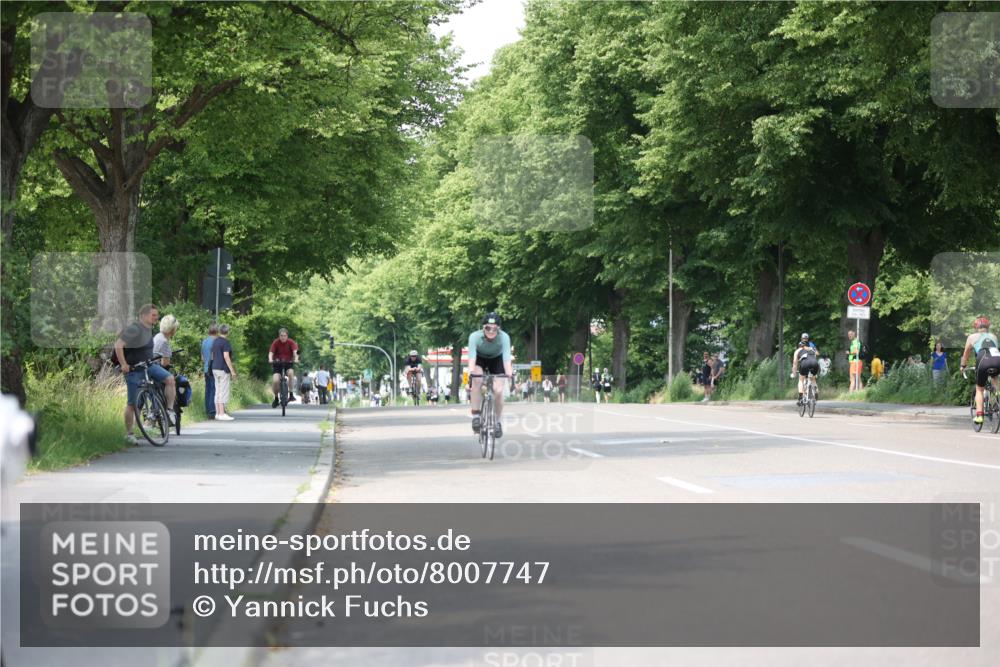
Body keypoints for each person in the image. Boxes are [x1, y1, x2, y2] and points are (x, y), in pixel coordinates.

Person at [115, 304, 175, 445]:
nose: (156, 318)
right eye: (153, 315)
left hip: (149, 366)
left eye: (157, 315)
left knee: (170, 379)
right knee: (132, 404)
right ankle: (129, 434)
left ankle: (170, 410)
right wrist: (124, 364)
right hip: (134, 369)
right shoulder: (134, 329)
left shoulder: (149, 330)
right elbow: (118, 345)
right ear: (143, 316)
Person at [466, 312, 513, 437]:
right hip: (479, 359)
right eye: (488, 328)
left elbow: (507, 358)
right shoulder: (474, 337)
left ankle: (497, 422)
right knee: (477, 380)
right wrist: (471, 373)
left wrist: (509, 374)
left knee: (498, 390)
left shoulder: (504, 337)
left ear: (499, 328)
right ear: (483, 327)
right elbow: (471, 358)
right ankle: (476, 416)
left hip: (497, 359)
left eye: (494, 328)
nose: (491, 331)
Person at [960, 316, 1000, 425]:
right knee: (994, 378)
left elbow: (966, 354)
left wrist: (963, 366)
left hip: (983, 360)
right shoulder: (993, 336)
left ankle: (979, 416)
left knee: (980, 389)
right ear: (988, 326)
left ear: (976, 327)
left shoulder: (972, 337)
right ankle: (997, 396)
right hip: (997, 359)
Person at [211, 324, 237, 420]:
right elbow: (226, 356)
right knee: (223, 390)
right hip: (223, 368)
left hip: (214, 368)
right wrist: (232, 371)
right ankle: (222, 413)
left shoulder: (215, 341)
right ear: (228, 332)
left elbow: (212, 355)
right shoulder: (226, 342)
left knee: (217, 390)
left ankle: (217, 413)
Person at [269, 328, 299, 407]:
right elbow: (271, 353)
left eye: (284, 336)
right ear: (279, 336)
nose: (283, 337)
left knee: (291, 373)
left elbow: (295, 352)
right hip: (277, 364)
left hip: (288, 363)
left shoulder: (291, 342)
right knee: (275, 381)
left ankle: (291, 394)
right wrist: (270, 359)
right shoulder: (276, 342)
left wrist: (296, 358)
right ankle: (276, 398)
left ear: (287, 336)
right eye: (281, 336)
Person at [791, 333, 821, 404]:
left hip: (805, 364)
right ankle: (816, 391)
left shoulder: (797, 351)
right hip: (814, 363)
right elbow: (817, 354)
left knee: (801, 380)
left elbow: (795, 364)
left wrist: (794, 373)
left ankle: (800, 398)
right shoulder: (811, 349)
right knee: (813, 379)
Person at [201, 323, 219, 419]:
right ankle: (212, 411)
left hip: (206, 368)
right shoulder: (216, 342)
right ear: (217, 331)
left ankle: (207, 410)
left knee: (208, 389)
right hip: (214, 367)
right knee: (214, 389)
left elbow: (202, 358)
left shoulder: (204, 341)